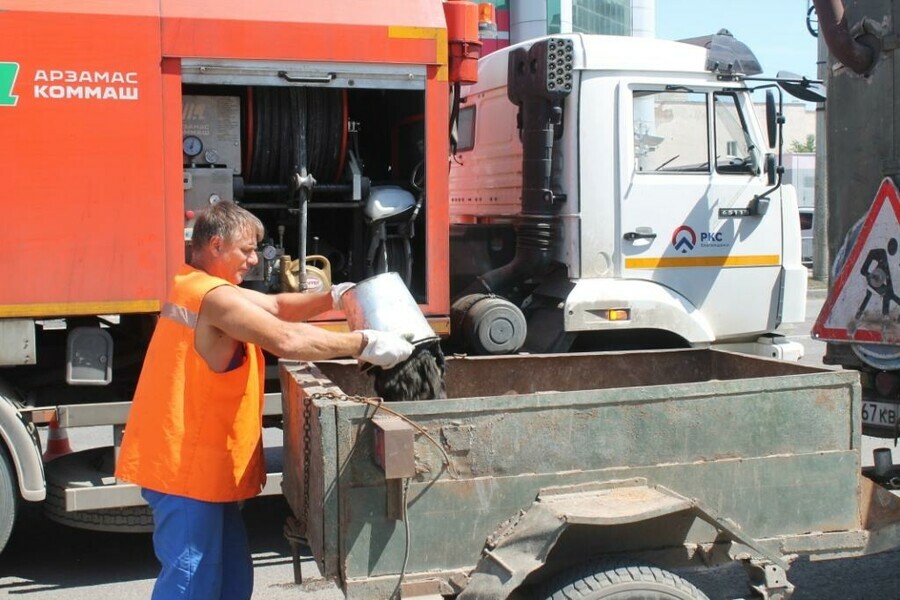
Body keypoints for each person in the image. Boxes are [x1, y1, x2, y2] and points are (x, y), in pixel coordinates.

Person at [114, 201, 414, 600]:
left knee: (232, 579)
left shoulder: (201, 285)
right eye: (247, 250)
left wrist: (334, 297)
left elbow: (275, 306)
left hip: (204, 465)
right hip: (184, 469)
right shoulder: (213, 299)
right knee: (193, 581)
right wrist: (365, 343)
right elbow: (284, 338)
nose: (255, 260)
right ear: (216, 245)